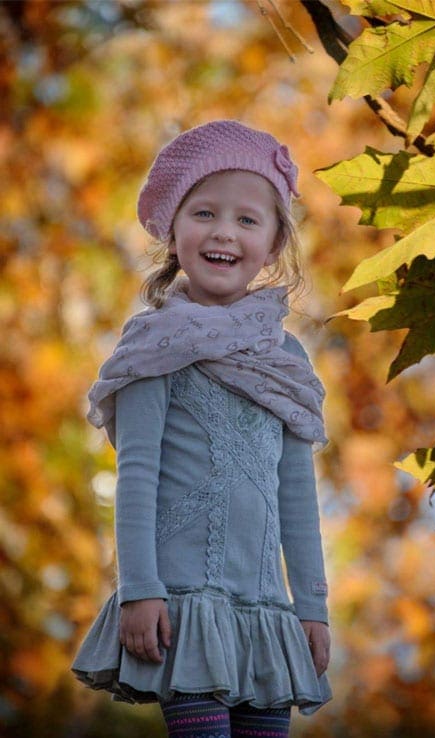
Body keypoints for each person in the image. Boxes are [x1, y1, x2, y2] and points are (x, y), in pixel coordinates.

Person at [72, 120, 331, 738]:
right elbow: (135, 476)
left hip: (266, 612)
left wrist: (312, 608)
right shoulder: (155, 344)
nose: (224, 232)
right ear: (173, 229)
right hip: (182, 607)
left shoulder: (285, 359)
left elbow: (296, 495)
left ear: (273, 244)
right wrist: (139, 589)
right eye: (205, 213)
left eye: (248, 220)